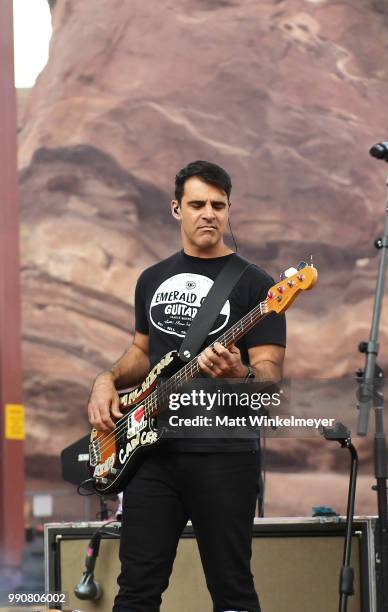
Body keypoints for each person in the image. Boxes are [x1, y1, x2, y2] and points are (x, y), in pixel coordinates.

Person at [87, 160, 286, 612]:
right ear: (177, 209)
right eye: (197, 204)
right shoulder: (152, 278)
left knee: (232, 590)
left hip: (225, 456)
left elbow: (270, 378)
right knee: (136, 591)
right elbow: (142, 353)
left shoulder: (258, 285)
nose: (209, 214)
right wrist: (106, 379)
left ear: (230, 209)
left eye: (218, 205)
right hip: (151, 457)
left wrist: (239, 373)